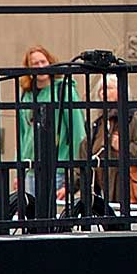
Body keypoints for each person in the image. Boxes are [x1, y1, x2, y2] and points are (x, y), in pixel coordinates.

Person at [76, 74, 137, 205]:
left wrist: (124, 147)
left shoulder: (133, 119)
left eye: (108, 88)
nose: (103, 93)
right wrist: (70, 186)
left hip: (128, 193)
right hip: (103, 195)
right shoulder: (99, 124)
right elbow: (85, 157)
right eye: (101, 90)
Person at [18, 45, 85, 200]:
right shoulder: (26, 95)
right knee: (33, 219)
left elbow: (77, 132)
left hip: (58, 168)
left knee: (53, 218)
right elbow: (22, 135)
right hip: (31, 169)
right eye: (35, 63)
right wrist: (20, 169)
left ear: (50, 62)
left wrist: (73, 174)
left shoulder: (63, 90)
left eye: (43, 61)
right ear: (28, 68)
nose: (40, 66)